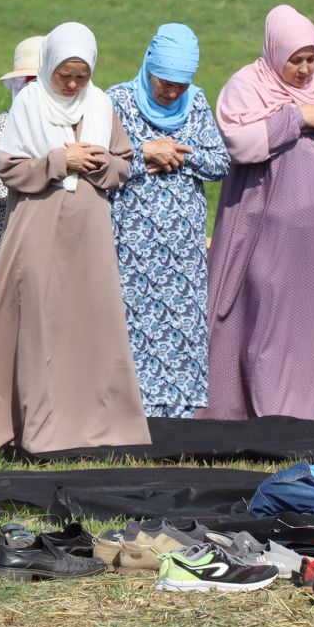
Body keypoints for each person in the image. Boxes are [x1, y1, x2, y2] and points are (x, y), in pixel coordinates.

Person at [204, 5, 314, 423]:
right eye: (295, 60)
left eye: (311, 59)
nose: (305, 70)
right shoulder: (247, 85)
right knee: (268, 315)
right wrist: (296, 117)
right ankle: (269, 410)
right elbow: (240, 142)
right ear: (273, 52)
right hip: (266, 230)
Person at [0, 23, 152, 451]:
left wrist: (100, 165)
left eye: (81, 76)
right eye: (64, 75)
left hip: (88, 233)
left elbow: (124, 164)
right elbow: (9, 170)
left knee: (92, 322)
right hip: (38, 228)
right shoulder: (29, 105)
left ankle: (98, 426)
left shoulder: (102, 104)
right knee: (40, 320)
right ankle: (38, 427)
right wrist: (61, 159)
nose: (72, 84)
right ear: (49, 67)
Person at [107, 24, 231, 417]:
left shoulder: (196, 103)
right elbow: (104, 165)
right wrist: (146, 155)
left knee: (178, 331)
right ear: (149, 66)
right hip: (131, 245)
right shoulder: (117, 101)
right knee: (131, 327)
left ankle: (177, 418)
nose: (172, 92)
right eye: (165, 82)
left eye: (180, 84)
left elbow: (219, 163)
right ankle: (128, 412)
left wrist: (183, 154)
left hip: (182, 249)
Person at [0, 36, 42, 323]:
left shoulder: (73, 128)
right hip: (5, 240)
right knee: (1, 325)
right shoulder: (1, 124)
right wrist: (49, 173)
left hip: (51, 244)